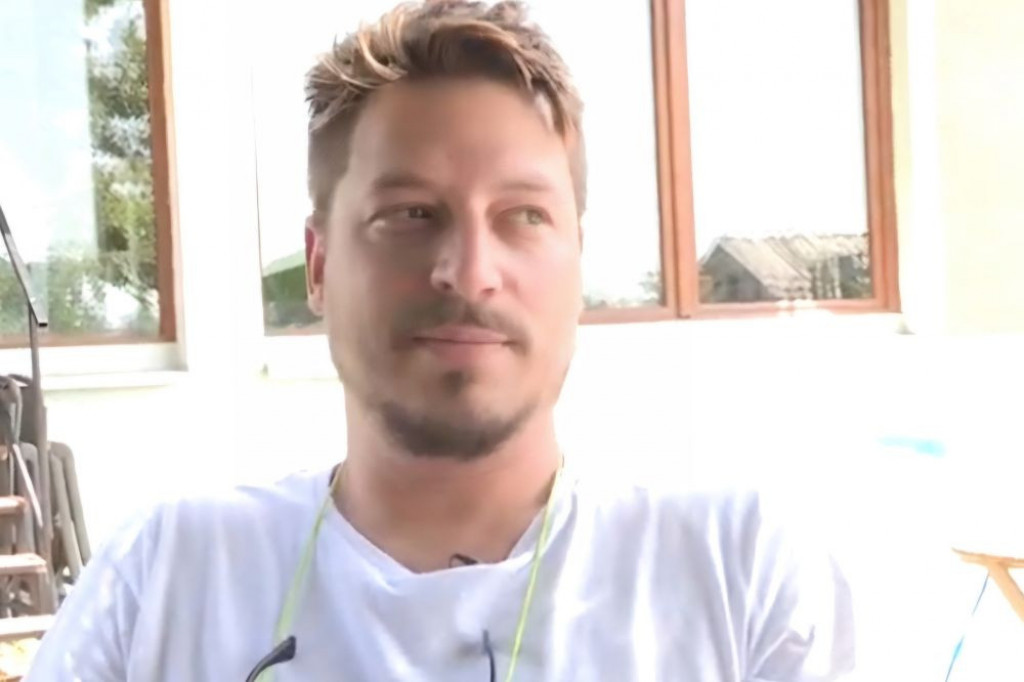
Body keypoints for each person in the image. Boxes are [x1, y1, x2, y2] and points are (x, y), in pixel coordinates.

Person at [27, 1, 854, 679]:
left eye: (523, 215)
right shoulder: (166, 582)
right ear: (319, 264)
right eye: (410, 214)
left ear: (577, 260)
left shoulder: (734, 576)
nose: (468, 272)